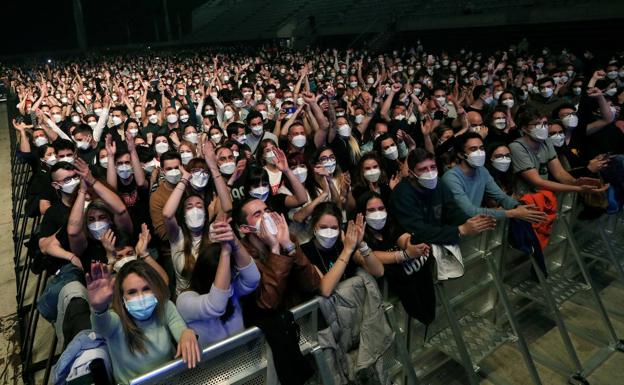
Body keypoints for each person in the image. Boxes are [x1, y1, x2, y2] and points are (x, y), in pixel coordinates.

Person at [86, 261, 200, 384]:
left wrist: (187, 333)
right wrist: (99, 309)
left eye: (146, 289)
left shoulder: (165, 307)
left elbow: (180, 330)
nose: (140, 297)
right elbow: (101, 327)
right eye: (132, 292)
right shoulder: (116, 319)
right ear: (122, 297)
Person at [176, 216, 260, 347]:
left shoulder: (231, 290)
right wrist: (225, 252)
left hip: (242, 359)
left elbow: (253, 279)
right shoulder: (185, 300)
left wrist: (235, 243)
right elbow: (216, 305)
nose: (233, 275)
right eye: (229, 272)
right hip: (214, 365)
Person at [442, 132, 547, 222]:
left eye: (481, 148)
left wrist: (518, 207)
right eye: (473, 149)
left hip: (475, 224)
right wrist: (512, 213)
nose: (479, 153)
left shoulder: (482, 170)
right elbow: (469, 211)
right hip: (457, 228)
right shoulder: (451, 178)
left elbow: (501, 197)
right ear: (461, 154)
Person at [300, 202, 384, 297]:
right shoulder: (305, 251)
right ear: (314, 226)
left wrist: (361, 244)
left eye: (334, 228)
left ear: (340, 229)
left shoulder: (343, 245)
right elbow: (325, 290)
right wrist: (346, 251)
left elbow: (379, 272)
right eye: (323, 227)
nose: (329, 232)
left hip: (353, 302)